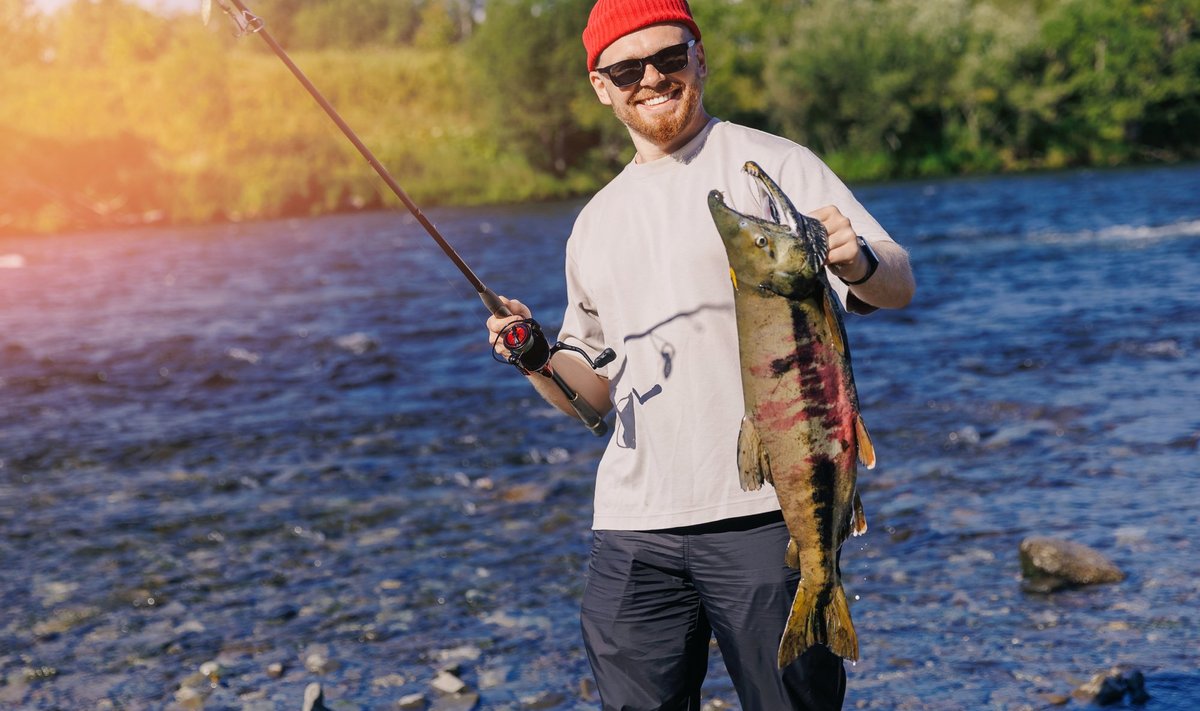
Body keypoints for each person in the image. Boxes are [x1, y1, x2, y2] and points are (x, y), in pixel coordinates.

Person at [487, 1, 916, 708]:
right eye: (627, 69)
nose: (652, 78)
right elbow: (590, 397)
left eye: (670, 57)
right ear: (601, 86)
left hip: (763, 517)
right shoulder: (594, 222)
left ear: (700, 56)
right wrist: (532, 354)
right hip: (632, 530)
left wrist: (860, 260)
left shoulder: (774, 164)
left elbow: (897, 282)